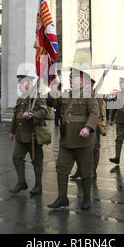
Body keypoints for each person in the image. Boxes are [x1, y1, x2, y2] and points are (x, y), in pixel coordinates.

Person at [46, 68, 99, 210]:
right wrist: (52, 90)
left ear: (82, 80)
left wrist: (88, 128)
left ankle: (87, 198)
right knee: (61, 169)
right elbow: (51, 103)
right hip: (66, 140)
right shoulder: (66, 94)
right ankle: (62, 198)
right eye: (69, 77)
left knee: (86, 171)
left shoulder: (88, 95)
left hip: (83, 141)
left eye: (73, 77)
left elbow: (94, 114)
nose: (70, 79)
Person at [8, 73, 49, 195]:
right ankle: (21, 183)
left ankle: (38, 185)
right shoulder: (20, 98)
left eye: (22, 83)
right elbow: (16, 116)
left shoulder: (37, 96)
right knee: (16, 158)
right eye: (19, 83)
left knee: (36, 161)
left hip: (33, 135)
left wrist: (33, 115)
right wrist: (12, 131)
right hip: (21, 135)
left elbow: (44, 112)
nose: (20, 85)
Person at [70, 77, 106, 180]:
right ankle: (79, 170)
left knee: (94, 150)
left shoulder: (96, 96)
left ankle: (93, 170)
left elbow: (97, 113)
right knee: (79, 149)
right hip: (81, 126)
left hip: (93, 128)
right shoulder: (80, 95)